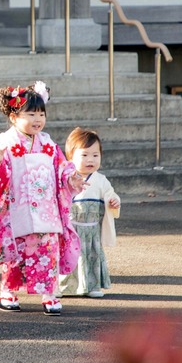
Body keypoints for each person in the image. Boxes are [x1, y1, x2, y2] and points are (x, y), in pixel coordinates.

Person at [0, 82, 84, 315]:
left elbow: (62, 167)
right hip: (17, 208)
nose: (37, 119)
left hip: (46, 209)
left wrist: (72, 178)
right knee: (15, 252)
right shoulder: (7, 142)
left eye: (41, 114)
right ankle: (8, 292)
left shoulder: (48, 143)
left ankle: (49, 294)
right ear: (13, 117)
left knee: (48, 251)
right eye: (30, 114)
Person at [58, 127, 120, 298]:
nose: (90, 160)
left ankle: (92, 286)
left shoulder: (100, 180)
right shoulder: (67, 178)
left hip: (91, 229)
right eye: (84, 155)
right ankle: (64, 287)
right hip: (71, 227)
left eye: (95, 155)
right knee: (68, 258)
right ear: (71, 156)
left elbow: (110, 193)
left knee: (91, 257)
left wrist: (114, 201)